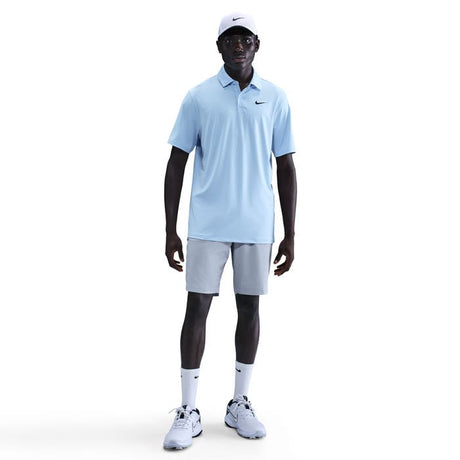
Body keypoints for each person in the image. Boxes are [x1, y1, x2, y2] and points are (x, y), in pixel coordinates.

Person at [163, 12, 297, 450]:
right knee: (196, 309)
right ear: (219, 47)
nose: (238, 45)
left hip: (257, 225)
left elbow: (286, 165)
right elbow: (176, 163)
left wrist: (291, 233)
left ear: (257, 44)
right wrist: (170, 229)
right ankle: (188, 409)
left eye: (245, 38)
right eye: (230, 39)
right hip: (207, 224)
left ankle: (239, 403)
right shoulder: (199, 97)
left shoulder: (274, 98)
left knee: (250, 309)